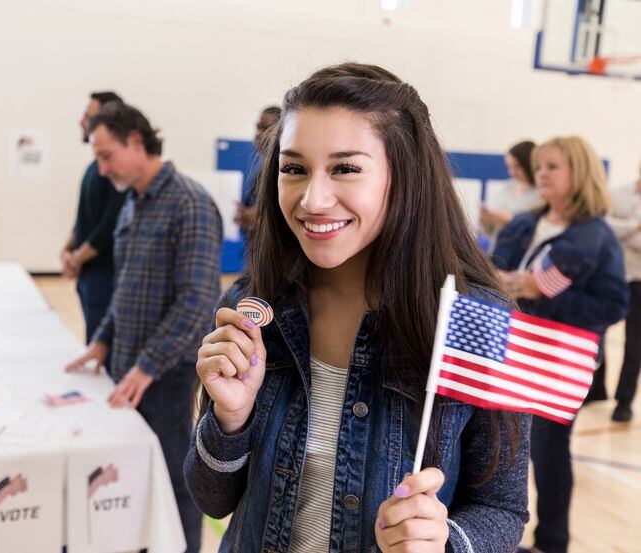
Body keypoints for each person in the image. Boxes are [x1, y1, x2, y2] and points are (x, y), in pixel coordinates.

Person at [184, 63, 530, 553]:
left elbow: (503, 509)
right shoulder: (249, 308)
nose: (313, 198)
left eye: (345, 168)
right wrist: (230, 419)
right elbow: (211, 499)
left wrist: (445, 540)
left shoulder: (471, 320)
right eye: (294, 168)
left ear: (404, 177)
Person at [64, 102, 222, 552]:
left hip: (166, 375)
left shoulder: (189, 203)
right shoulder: (132, 205)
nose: (101, 167)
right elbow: (125, 288)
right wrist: (102, 342)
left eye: (105, 154)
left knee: (175, 477)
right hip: (131, 368)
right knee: (132, 471)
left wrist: (146, 368)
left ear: (136, 142)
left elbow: (196, 304)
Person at [491, 136, 629, 553]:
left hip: (556, 362)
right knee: (497, 450)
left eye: (552, 166)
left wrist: (541, 290)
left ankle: (552, 542)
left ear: (579, 173)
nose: (542, 174)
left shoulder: (597, 236)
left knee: (548, 453)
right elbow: (494, 271)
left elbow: (612, 304)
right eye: (540, 166)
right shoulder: (524, 223)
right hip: (508, 349)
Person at [60, 91, 127, 343]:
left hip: (105, 276)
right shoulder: (94, 168)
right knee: (92, 340)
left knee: (102, 347)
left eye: (87, 115)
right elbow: (84, 219)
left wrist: (76, 257)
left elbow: (109, 226)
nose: (81, 121)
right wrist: (67, 250)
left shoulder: (114, 174)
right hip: (89, 275)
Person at [605, 163, 641, 422]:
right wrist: (635, 226)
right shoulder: (617, 194)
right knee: (596, 332)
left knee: (634, 345)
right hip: (614, 275)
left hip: (639, 281)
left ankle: (624, 401)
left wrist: (624, 230)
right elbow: (605, 227)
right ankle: (595, 389)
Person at [480, 140, 543, 247]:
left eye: (517, 167)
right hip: (499, 251)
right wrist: (486, 221)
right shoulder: (506, 188)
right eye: (509, 167)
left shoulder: (542, 195)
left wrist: (510, 221)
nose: (512, 172)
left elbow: (538, 234)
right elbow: (491, 233)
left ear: (529, 163)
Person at [233, 105, 281, 231]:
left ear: (281, 132)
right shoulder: (261, 167)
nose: (259, 134)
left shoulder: (284, 170)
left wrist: (259, 220)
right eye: (258, 127)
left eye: (265, 128)